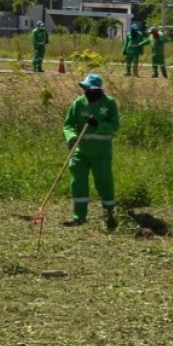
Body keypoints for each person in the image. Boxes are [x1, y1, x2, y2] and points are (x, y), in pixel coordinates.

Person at [62, 72, 121, 229]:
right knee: (78, 183)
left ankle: (109, 214)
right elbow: (68, 124)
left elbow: (114, 125)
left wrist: (98, 124)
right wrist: (71, 137)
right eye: (85, 88)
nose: (87, 92)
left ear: (98, 90)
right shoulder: (79, 103)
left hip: (101, 153)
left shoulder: (109, 103)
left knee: (104, 182)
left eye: (90, 89)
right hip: (80, 152)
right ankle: (79, 217)